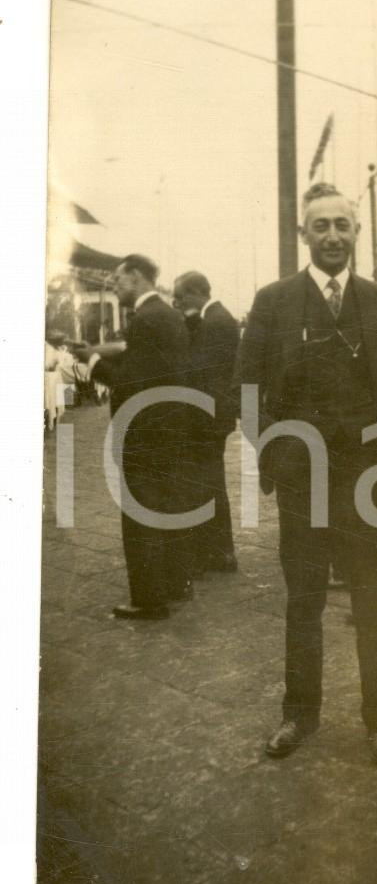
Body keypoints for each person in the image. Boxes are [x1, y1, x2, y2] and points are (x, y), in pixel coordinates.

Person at [238, 183, 377, 767]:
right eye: (321, 226)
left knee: (374, 600)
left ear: (357, 233)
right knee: (304, 600)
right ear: (304, 235)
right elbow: (245, 393)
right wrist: (274, 450)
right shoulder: (274, 301)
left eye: (343, 225)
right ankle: (299, 714)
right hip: (302, 479)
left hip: (366, 480)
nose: (333, 236)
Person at [73, 254, 194, 620]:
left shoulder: (144, 319)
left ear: (138, 277)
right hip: (169, 426)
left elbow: (132, 381)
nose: (115, 285)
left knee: (139, 514)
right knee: (167, 507)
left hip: (143, 429)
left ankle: (147, 599)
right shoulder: (169, 314)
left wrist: (90, 364)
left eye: (119, 279)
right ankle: (175, 585)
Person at [173, 271, 241, 574]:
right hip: (214, 415)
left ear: (196, 292)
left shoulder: (214, 321)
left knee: (208, 484)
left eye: (181, 296)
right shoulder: (215, 317)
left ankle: (218, 553)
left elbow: (203, 371)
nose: (176, 302)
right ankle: (217, 551)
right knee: (210, 482)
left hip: (208, 417)